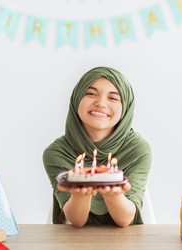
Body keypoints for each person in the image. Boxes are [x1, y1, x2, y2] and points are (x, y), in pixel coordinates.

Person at [43, 66, 151, 227]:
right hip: (72, 246)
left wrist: (113, 195)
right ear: (77, 99)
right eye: (91, 94)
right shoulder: (56, 153)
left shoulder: (137, 150)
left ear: (126, 108)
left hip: (126, 247)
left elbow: (126, 220)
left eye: (113, 98)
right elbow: (76, 221)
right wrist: (80, 196)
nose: (100, 103)